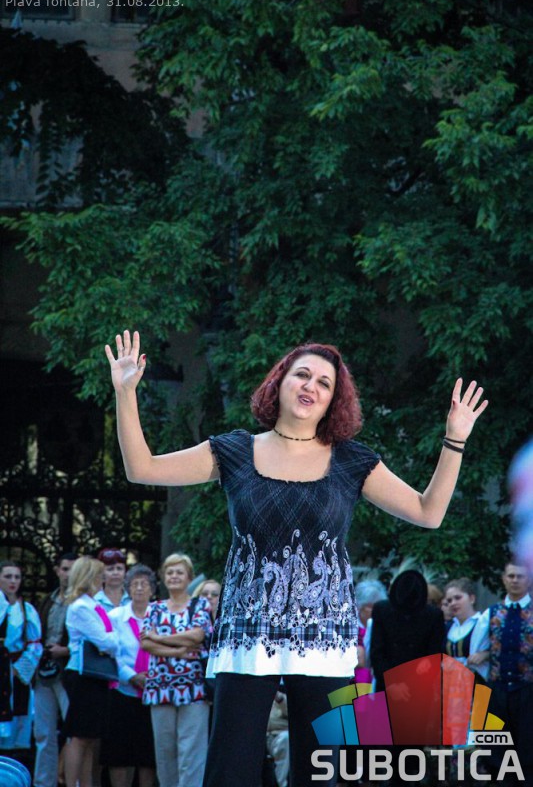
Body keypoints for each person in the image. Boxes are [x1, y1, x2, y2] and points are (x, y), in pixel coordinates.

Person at [105, 330, 488, 787]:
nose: (311, 386)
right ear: (279, 382)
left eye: (324, 383)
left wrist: (454, 440)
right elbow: (142, 468)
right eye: (302, 375)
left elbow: (428, 513)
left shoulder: (352, 462)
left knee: (319, 775)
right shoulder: (233, 452)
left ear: (333, 401)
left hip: (323, 637)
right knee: (230, 773)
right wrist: (125, 393)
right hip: (246, 634)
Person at [140, 553, 212, 787]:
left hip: (194, 688)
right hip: (160, 687)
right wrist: (178, 651)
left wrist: (160, 638)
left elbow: (197, 636)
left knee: (192, 752)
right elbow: (146, 643)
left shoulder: (200, 605)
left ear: (189, 577)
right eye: (169, 572)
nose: (174, 576)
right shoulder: (154, 608)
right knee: (164, 752)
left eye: (179, 572)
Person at [470, 561, 533, 782]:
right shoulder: (491, 613)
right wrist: (487, 658)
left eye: (520, 576)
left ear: (529, 580)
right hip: (498, 690)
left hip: (528, 690)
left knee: (528, 747)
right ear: (504, 579)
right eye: (511, 576)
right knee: (499, 747)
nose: (515, 580)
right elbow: (476, 652)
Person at [63, 556, 118, 787]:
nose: (101, 580)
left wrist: (111, 641)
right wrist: (115, 639)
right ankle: (71, 783)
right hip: (83, 674)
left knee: (88, 738)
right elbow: (106, 641)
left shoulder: (91, 604)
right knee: (79, 736)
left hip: (93, 675)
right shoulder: (81, 607)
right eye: (98, 576)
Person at [101, 564, 157, 787]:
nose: (140, 588)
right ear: (128, 589)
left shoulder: (160, 615)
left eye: (144, 584)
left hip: (153, 691)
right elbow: (110, 653)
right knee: (119, 752)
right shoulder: (115, 616)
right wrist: (131, 676)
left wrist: (152, 677)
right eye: (135, 584)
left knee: (148, 754)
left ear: (152, 589)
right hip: (123, 691)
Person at [33, 552, 76, 787]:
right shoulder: (47, 601)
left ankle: (73, 782)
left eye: (73, 569)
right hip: (44, 671)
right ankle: (43, 783)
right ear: (57, 571)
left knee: (74, 731)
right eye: (65, 569)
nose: (68, 574)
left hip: (69, 672)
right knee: (43, 732)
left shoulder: (82, 602)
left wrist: (65, 650)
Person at [0, 561, 42, 752]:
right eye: (8, 576)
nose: (13, 581)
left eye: (17, 577)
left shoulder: (27, 610)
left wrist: (20, 669)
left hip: (14, 670)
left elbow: (35, 643)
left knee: (16, 715)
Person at [443, 577, 488, 682]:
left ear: (472, 599)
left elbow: (499, 649)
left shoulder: (484, 624)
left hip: (479, 683)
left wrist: (485, 654)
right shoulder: (447, 627)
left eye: (458, 598)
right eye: (449, 600)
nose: (453, 603)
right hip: (452, 684)